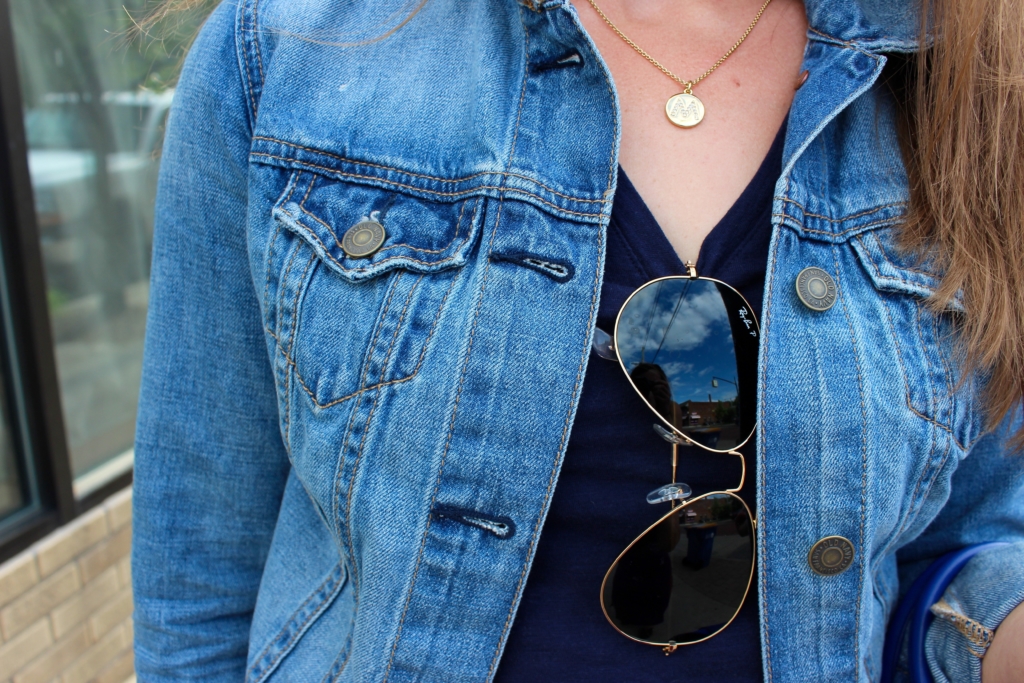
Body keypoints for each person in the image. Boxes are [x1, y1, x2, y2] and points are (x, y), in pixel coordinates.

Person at [131, 0, 1024, 681]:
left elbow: (974, 534)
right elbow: (202, 573)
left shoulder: (974, 80)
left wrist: (998, 624)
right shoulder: (292, 46)